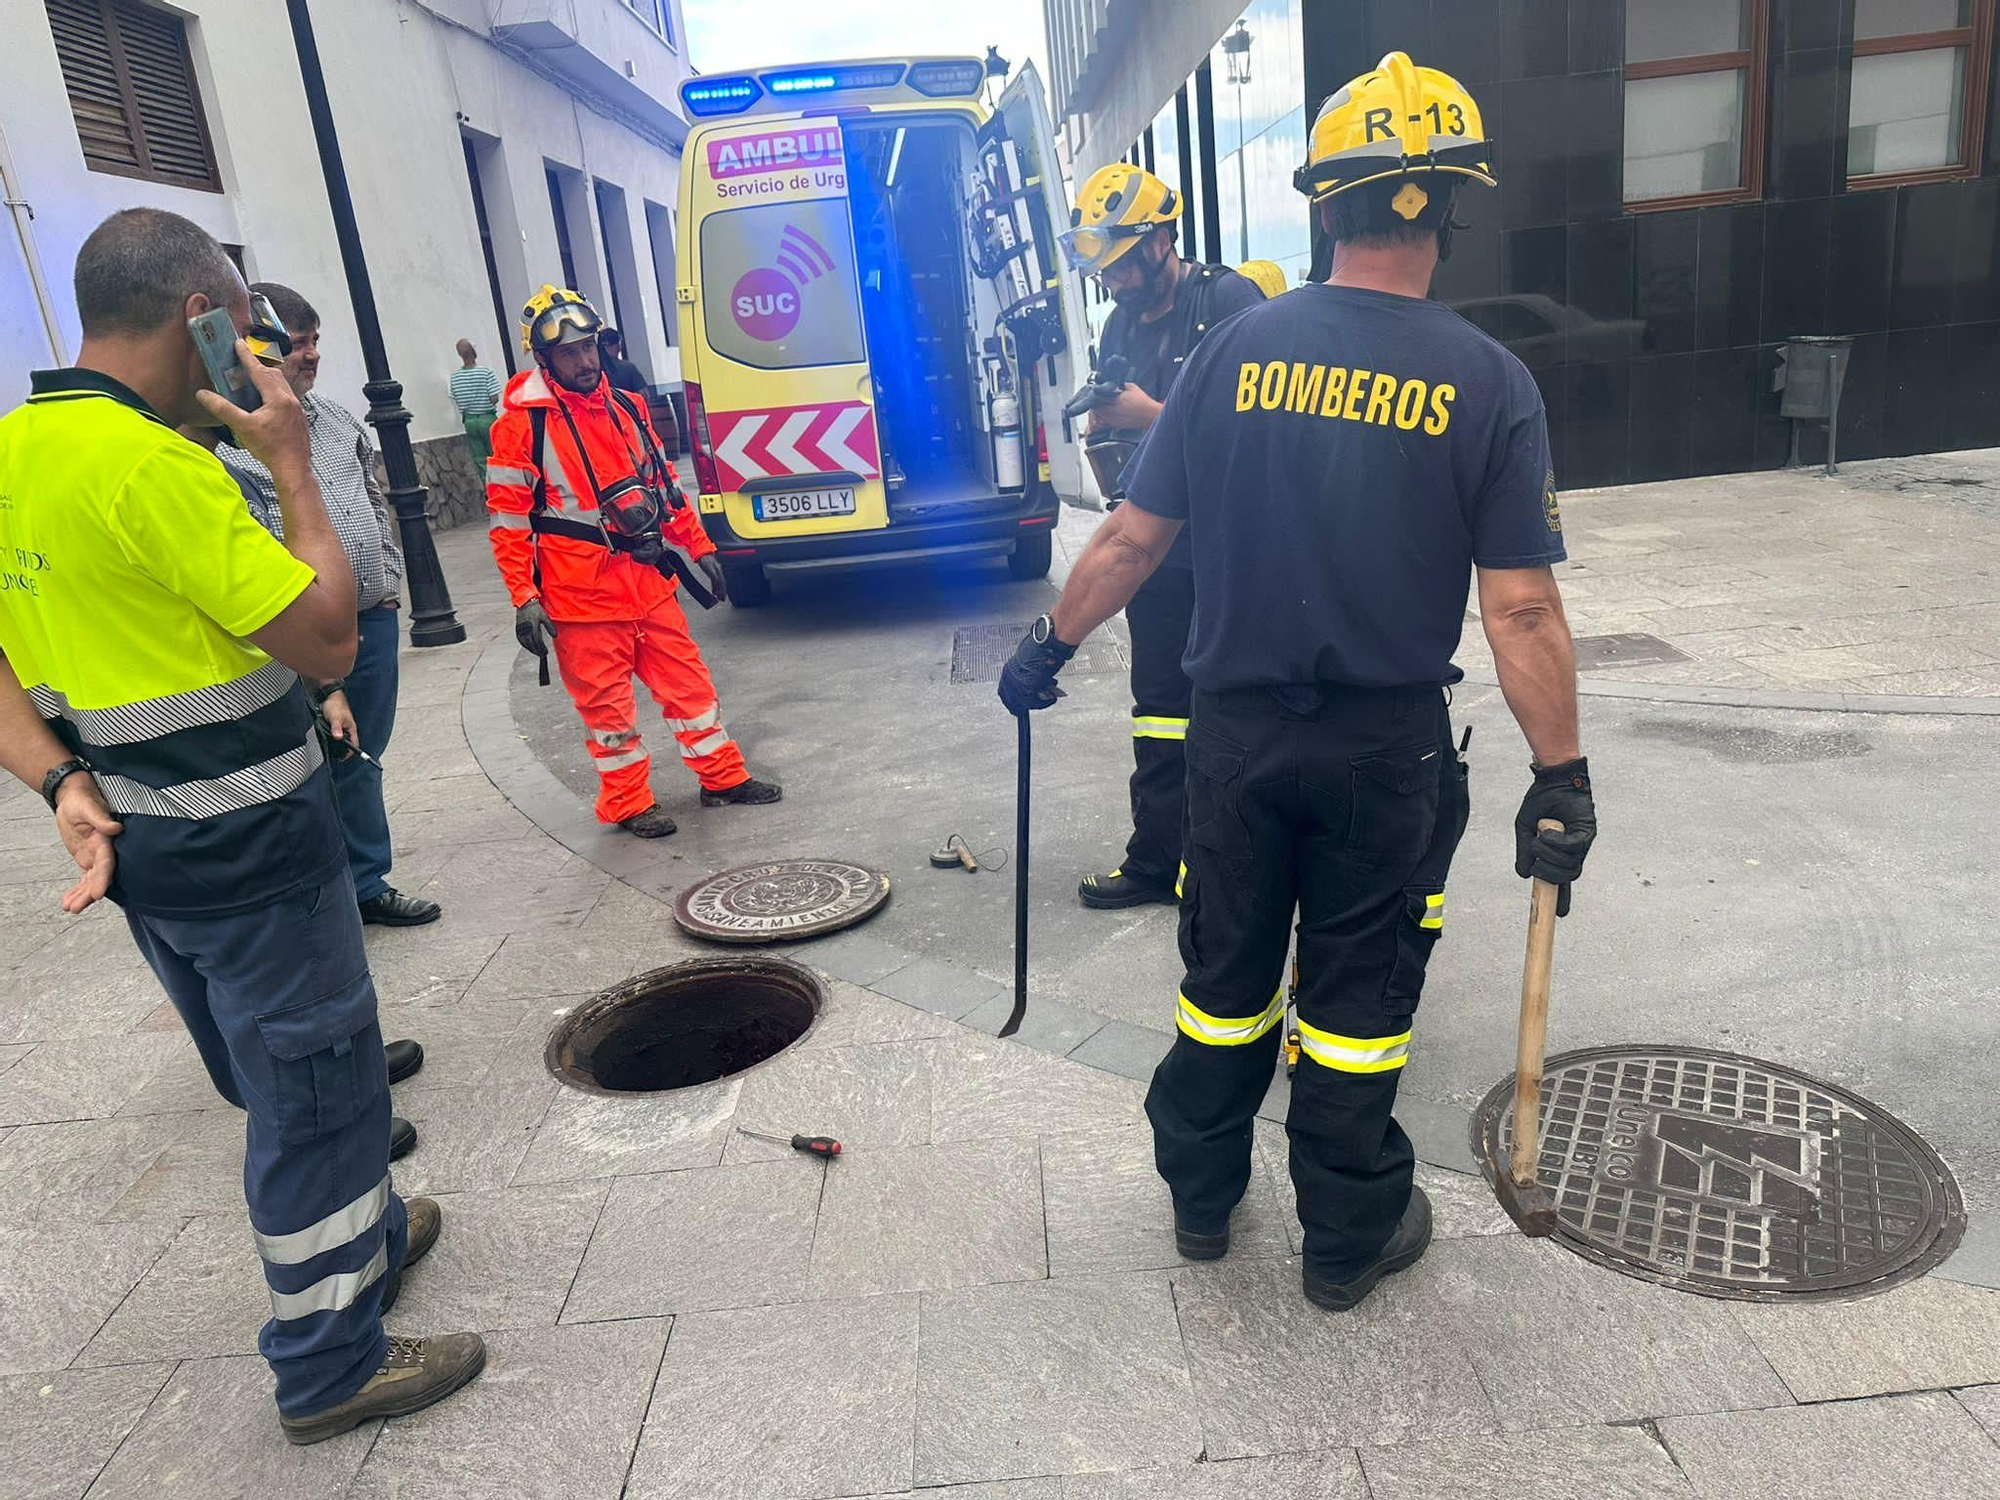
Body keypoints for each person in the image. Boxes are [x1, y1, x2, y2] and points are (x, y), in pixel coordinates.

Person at [998, 54, 1599, 1312]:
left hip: (1233, 739)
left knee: (1221, 990)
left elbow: (1126, 543)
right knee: (1353, 1008)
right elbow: (1521, 604)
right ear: (1448, 207)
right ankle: (1345, 1235)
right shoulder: (1489, 382)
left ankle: (1203, 1205)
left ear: (1325, 206)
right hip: (1382, 751)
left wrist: (1046, 648)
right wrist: (1560, 773)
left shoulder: (1231, 352)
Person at [0, 207, 483, 1439]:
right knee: (314, 1097)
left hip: (149, 860)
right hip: (252, 850)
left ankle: (366, 1238)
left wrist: (60, 781)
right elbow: (327, 631)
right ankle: (329, 1365)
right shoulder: (154, 468)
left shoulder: (16, 450)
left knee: (288, 1075)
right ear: (198, 319)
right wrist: (291, 463)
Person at [487, 285, 780, 836]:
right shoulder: (521, 426)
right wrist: (524, 598)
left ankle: (722, 779)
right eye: (569, 353)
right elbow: (508, 523)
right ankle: (627, 804)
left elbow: (663, 488)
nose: (584, 361)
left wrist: (701, 546)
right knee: (608, 714)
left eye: (589, 347)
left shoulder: (627, 406)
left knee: (691, 689)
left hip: (647, 581)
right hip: (581, 598)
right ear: (544, 359)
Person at [1056, 163, 1265, 911]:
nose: (1112, 281)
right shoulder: (1120, 322)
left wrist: (1149, 415)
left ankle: (1218, 864)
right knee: (1158, 710)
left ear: (1161, 239)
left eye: (1120, 263)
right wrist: (1110, 436)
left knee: (1227, 713)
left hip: (1228, 550)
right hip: (1155, 550)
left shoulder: (1229, 300)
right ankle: (1154, 861)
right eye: (1101, 269)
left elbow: (1261, 421)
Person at [219, 284, 440, 928]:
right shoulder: (230, 439)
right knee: (310, 764)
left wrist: (388, 584)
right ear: (255, 350)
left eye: (315, 340)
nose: (310, 354)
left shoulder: (340, 421)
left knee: (363, 754)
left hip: (369, 617)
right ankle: (321, 898)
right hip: (293, 632)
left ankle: (367, 883)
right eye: (296, 343)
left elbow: (373, 502)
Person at [449, 338, 502, 464]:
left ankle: (486, 482)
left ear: (460, 354)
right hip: (487, 419)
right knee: (497, 455)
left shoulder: (455, 377)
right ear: (473, 351)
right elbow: (494, 398)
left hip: (469, 421)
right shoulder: (486, 372)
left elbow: (456, 398)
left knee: (480, 458)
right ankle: (500, 483)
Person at [597, 326, 648, 395]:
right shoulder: (628, 368)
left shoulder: (594, 369)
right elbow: (644, 394)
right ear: (618, 345)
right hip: (627, 404)